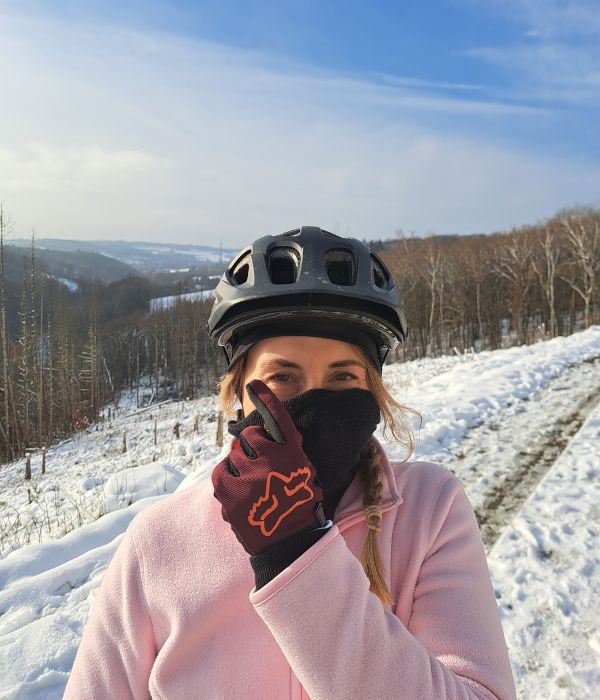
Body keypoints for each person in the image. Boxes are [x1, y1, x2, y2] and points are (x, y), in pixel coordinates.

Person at [64, 226, 516, 699]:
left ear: (374, 391)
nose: (315, 400)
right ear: (235, 394)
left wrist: (294, 554)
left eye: (344, 375)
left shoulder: (431, 511)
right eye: (282, 376)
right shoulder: (158, 542)